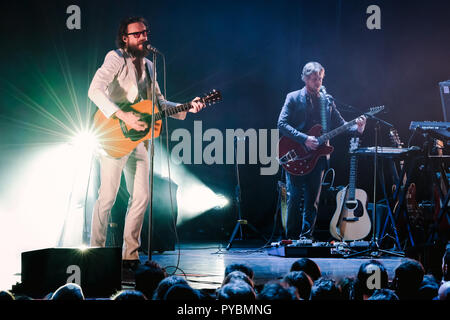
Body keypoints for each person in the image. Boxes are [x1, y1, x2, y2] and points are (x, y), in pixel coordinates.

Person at [88, 16, 205, 268]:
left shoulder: (151, 66)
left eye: (144, 33)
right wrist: (123, 115)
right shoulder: (115, 58)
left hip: (140, 140)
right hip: (113, 136)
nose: (143, 37)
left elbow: (159, 103)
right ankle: (95, 253)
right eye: (137, 34)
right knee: (106, 197)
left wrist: (187, 107)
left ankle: (130, 255)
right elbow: (94, 90)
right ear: (125, 38)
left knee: (141, 197)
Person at [278, 62, 366, 240]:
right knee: (294, 198)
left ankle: (306, 239)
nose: (317, 82)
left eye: (319, 78)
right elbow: (282, 124)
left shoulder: (327, 100)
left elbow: (341, 125)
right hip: (295, 154)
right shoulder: (293, 97)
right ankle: (291, 239)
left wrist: (358, 128)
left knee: (312, 201)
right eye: (313, 79)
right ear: (304, 78)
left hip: (317, 158)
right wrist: (304, 139)